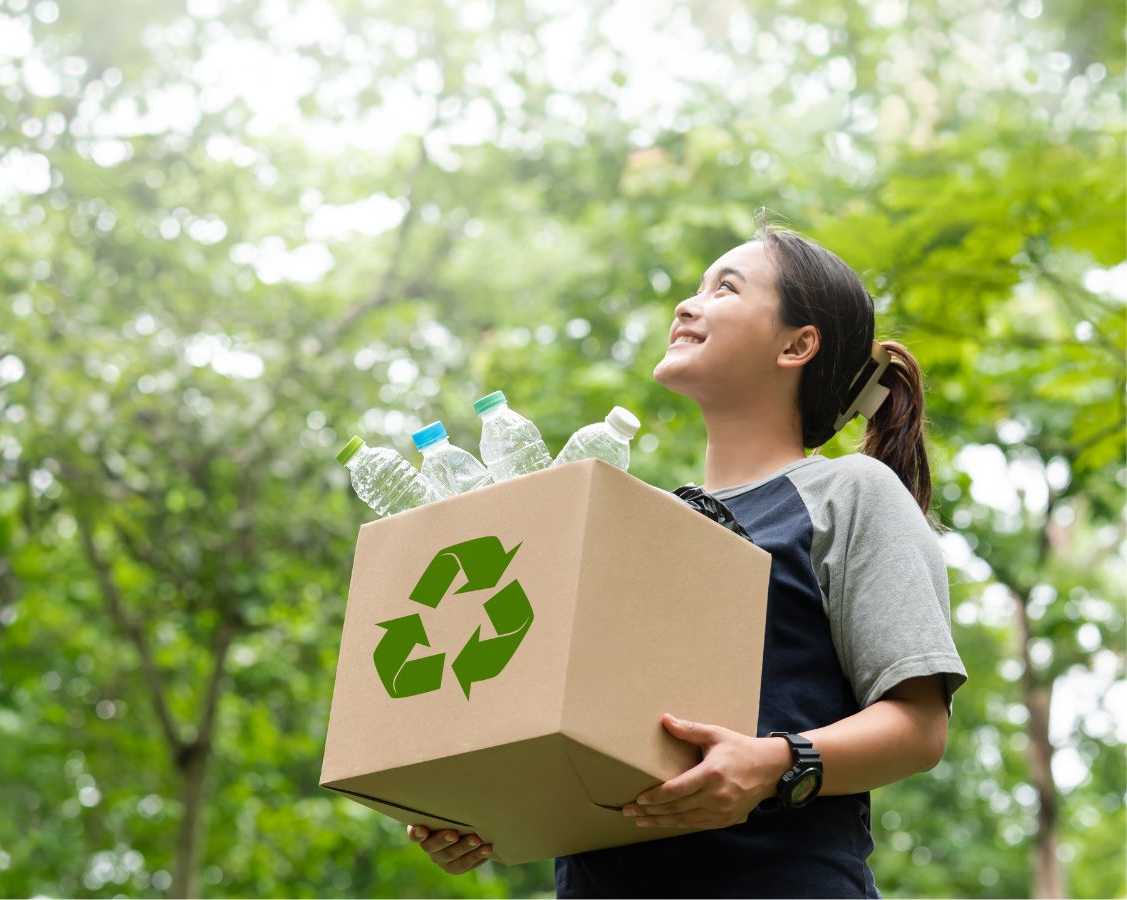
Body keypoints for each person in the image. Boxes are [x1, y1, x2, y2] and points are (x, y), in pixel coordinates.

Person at [406, 218, 968, 897]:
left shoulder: (848, 493)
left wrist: (775, 764)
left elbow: (919, 726)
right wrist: (474, 798)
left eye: (725, 288)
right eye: (695, 287)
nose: (686, 304)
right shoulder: (644, 522)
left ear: (798, 344)